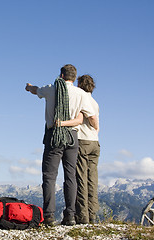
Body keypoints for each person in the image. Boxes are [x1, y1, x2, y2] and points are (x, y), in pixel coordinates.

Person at [25, 64, 98, 226]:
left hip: (54, 135)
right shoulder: (81, 94)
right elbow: (91, 115)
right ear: (74, 77)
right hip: (72, 136)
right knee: (70, 176)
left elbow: (36, 90)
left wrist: (29, 87)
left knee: (49, 176)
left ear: (61, 76)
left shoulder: (51, 89)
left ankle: (49, 216)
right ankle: (70, 216)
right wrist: (96, 127)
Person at [58, 75, 100, 224]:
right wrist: (97, 128)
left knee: (80, 179)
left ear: (80, 84)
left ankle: (83, 217)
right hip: (95, 142)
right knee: (92, 179)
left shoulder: (82, 98)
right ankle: (93, 214)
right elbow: (95, 118)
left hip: (83, 140)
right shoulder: (95, 101)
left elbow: (89, 117)